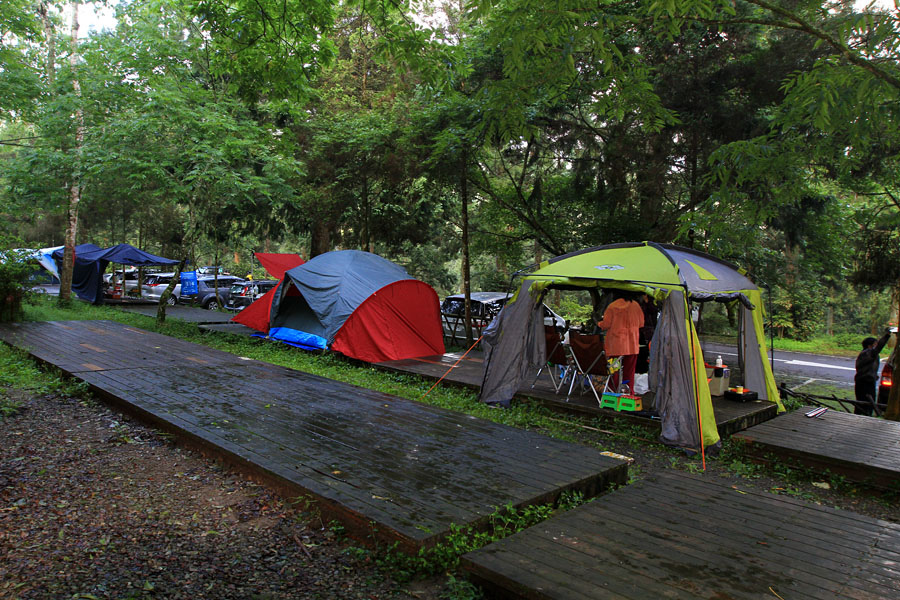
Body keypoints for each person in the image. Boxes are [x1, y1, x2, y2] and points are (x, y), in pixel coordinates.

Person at [596, 291, 644, 395]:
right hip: (632, 345)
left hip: (616, 346)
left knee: (614, 371)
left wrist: (598, 322)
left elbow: (606, 325)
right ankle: (629, 392)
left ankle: (613, 391)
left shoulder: (613, 306)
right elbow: (641, 323)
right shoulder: (636, 305)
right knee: (629, 370)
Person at [854, 329, 892, 416]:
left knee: (865, 402)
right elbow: (878, 348)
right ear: (870, 345)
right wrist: (887, 335)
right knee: (865, 402)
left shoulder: (867, 354)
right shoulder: (868, 353)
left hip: (867, 381)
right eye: (875, 344)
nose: (876, 346)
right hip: (865, 382)